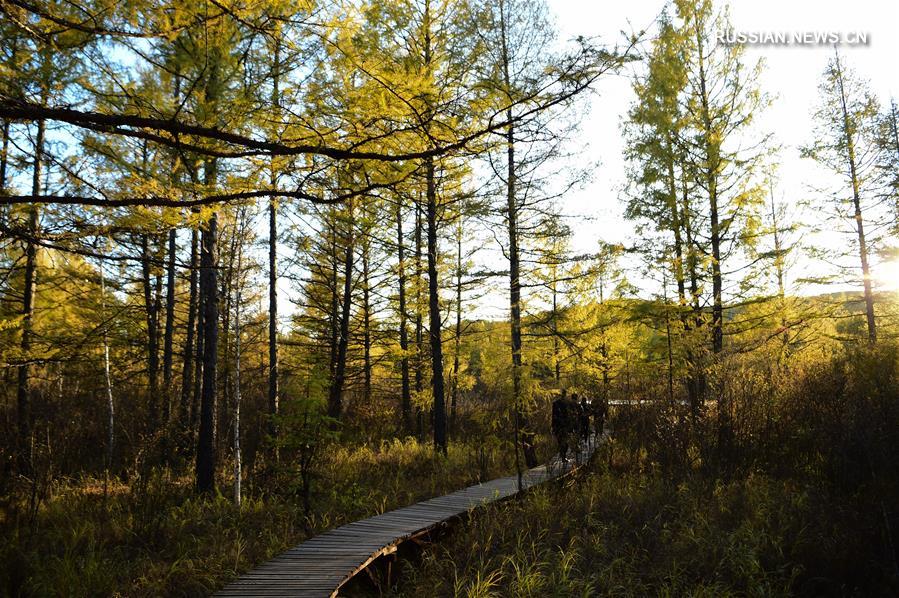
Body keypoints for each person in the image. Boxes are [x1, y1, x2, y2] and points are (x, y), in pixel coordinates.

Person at [551, 390, 571, 460]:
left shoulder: (564, 403)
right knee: (563, 441)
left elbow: (554, 416)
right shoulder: (560, 403)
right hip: (561, 425)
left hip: (561, 425)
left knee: (563, 442)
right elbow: (554, 415)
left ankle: (563, 455)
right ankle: (563, 456)